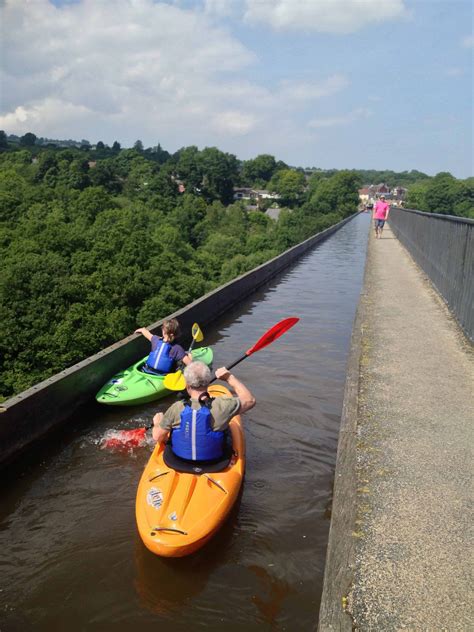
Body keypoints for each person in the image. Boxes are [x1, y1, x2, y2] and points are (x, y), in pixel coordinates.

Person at [152, 361, 256, 461]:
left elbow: (157, 437)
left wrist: (157, 423)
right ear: (208, 384)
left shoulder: (176, 408)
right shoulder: (224, 405)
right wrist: (229, 377)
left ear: (187, 386)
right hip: (214, 461)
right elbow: (250, 400)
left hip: (179, 459)